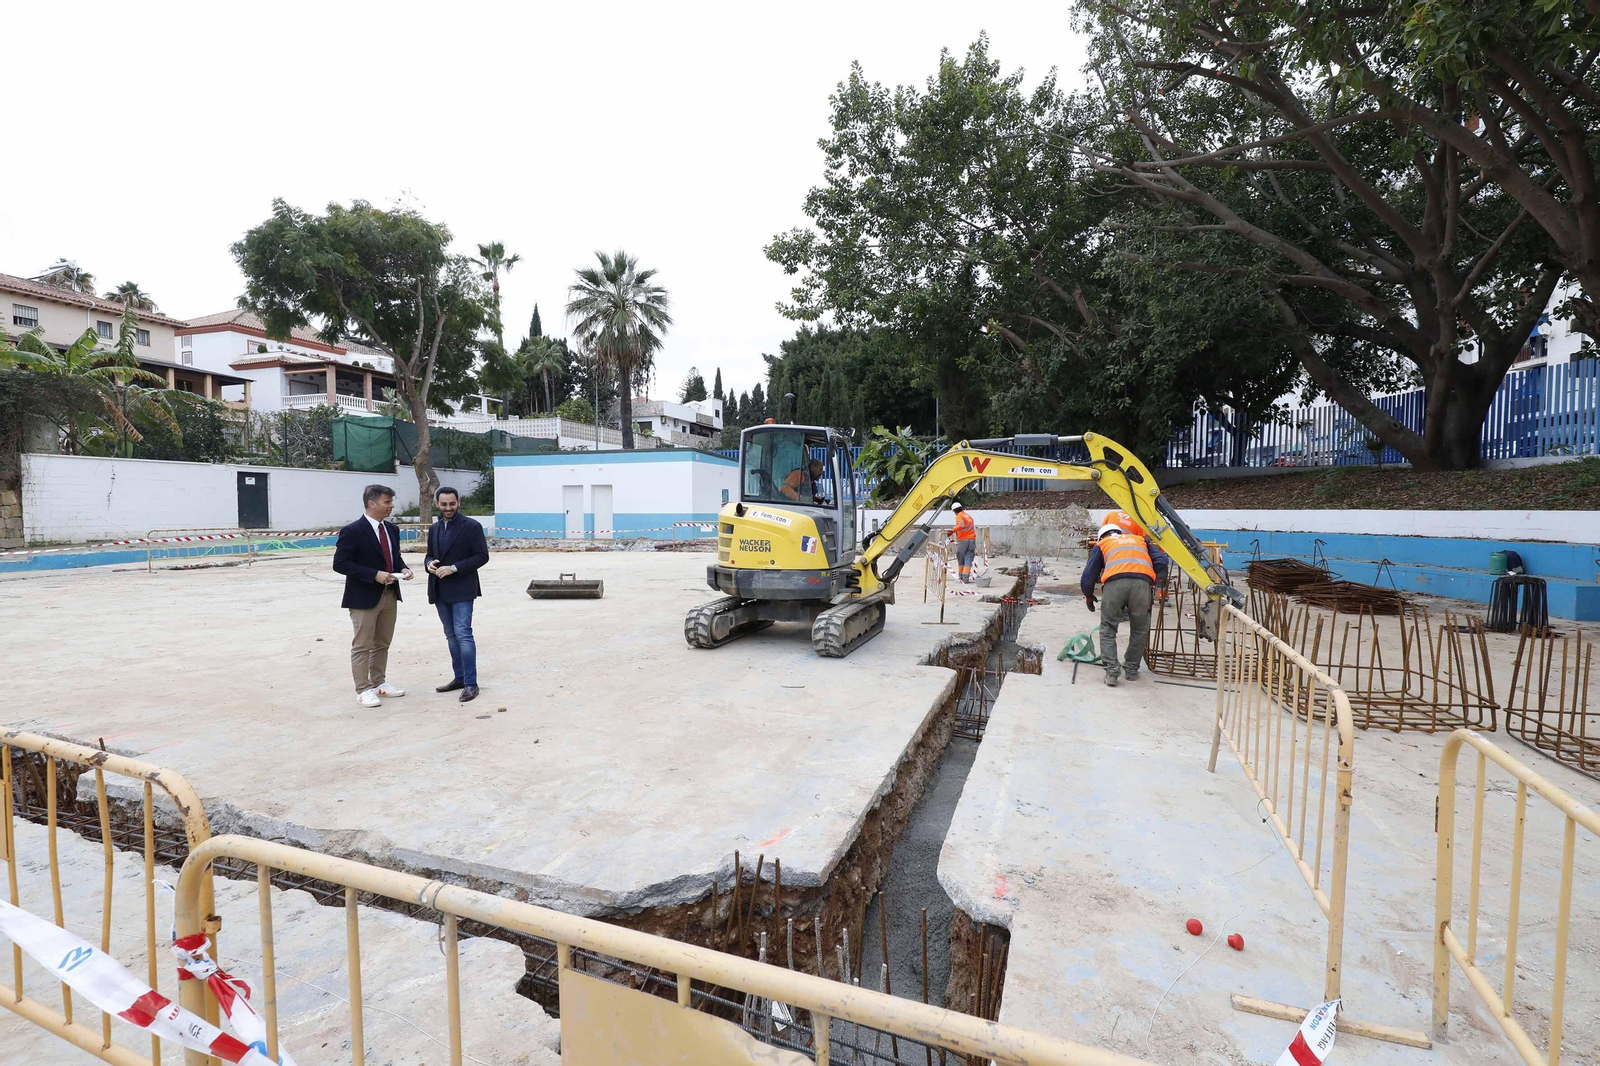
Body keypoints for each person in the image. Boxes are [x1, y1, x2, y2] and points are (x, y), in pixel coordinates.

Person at [333, 484, 413, 708]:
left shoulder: (392, 530)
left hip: (390, 594)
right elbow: (340, 563)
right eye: (387, 502)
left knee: (382, 643)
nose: (391, 506)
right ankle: (363, 689)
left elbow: (394, 558)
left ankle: (379, 683)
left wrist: (404, 569)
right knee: (362, 645)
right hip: (363, 597)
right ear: (372, 503)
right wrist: (373, 575)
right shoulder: (353, 531)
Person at [1079, 512, 1169, 687]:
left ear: (1101, 536)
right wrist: (1147, 575)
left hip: (1115, 585)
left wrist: (1089, 594)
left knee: (1108, 629)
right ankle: (1132, 670)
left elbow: (1089, 575)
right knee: (1139, 629)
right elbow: (1162, 561)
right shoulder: (1140, 540)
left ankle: (1112, 673)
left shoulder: (1103, 544)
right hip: (1142, 585)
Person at [425, 486, 490, 703]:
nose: (448, 508)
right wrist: (429, 564)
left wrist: (454, 568)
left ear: (458, 502)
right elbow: (429, 555)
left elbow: (482, 556)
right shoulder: (434, 529)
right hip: (439, 589)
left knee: (463, 634)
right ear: (437, 504)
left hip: (462, 588)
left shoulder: (471, 526)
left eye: (452, 504)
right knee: (451, 635)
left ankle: (471, 683)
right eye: (444, 504)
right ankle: (459, 678)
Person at [948, 502, 978, 583]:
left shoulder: (959, 516)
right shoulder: (968, 516)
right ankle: (966, 578)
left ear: (954, 511)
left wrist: (952, 530)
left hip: (963, 540)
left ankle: (961, 576)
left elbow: (961, 525)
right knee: (968, 558)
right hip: (972, 540)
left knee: (961, 557)